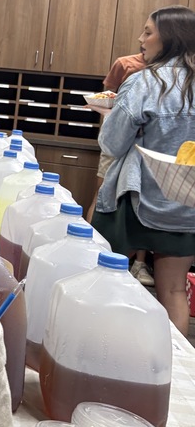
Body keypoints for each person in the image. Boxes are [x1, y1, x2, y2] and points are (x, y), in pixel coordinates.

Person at [92, 5, 195, 333]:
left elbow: (111, 144)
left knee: (107, 280)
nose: (141, 39)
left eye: (148, 32)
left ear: (171, 38)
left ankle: (107, 349)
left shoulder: (144, 83)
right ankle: (173, 361)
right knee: (174, 290)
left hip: (135, 199)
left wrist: (112, 118)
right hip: (185, 204)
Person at [90, 52, 151, 284]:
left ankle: (139, 264)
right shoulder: (125, 64)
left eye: (148, 34)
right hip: (118, 139)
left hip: (146, 147)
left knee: (140, 202)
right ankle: (92, 248)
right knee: (102, 192)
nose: (142, 38)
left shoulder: (168, 70)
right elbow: (106, 97)